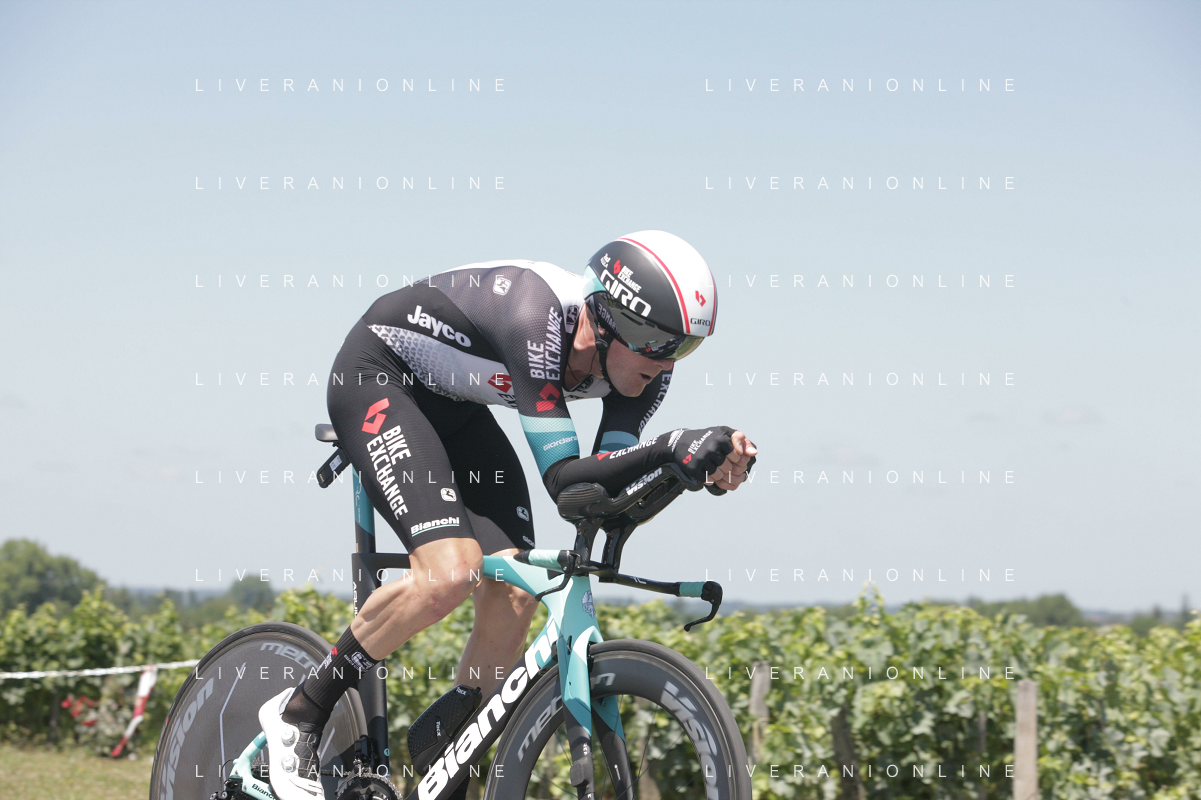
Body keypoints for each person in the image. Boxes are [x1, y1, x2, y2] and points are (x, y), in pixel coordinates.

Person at [258, 231, 757, 800]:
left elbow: (603, 489)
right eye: (657, 341)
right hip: (379, 374)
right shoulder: (535, 317)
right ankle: (300, 713)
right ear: (608, 316)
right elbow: (565, 482)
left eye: (683, 348)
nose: (665, 362)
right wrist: (670, 447)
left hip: (455, 405)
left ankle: (446, 767)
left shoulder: (645, 372)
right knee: (449, 572)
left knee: (517, 593)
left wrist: (692, 472)